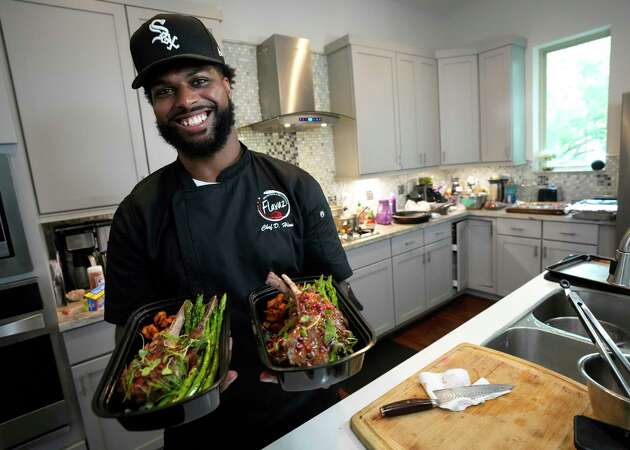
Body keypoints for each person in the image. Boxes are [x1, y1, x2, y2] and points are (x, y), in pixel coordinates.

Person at [104, 13, 353, 449]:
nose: (185, 100)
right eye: (165, 91)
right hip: (200, 426)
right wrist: (171, 394)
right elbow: (132, 335)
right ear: (155, 106)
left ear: (226, 84)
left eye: (199, 79)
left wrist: (318, 360)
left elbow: (337, 295)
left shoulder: (294, 185)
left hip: (305, 407)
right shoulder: (137, 213)